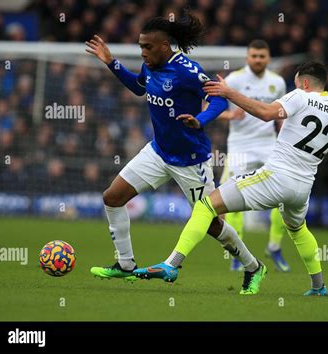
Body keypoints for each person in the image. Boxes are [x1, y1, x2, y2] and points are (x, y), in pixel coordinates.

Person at [135, 61, 328, 296]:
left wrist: (229, 92)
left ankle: (172, 264)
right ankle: (318, 287)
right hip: (303, 188)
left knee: (206, 206)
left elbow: (267, 113)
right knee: (298, 230)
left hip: (276, 177)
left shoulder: (300, 97)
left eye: (295, 84)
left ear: (303, 83)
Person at [85, 12, 266, 290]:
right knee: (112, 197)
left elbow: (219, 101)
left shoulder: (187, 71)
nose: (142, 52)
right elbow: (138, 87)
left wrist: (200, 120)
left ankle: (254, 266)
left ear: (164, 46)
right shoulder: (151, 66)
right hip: (158, 152)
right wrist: (111, 63)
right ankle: (125, 264)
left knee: (211, 225)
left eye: (147, 47)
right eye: (140, 47)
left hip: (191, 161)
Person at [218, 39, 291, 272]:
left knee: (283, 196)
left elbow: (282, 115)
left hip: (269, 144)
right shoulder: (234, 80)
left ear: (268, 59)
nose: (258, 60)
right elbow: (207, 108)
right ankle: (238, 253)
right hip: (240, 145)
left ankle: (274, 246)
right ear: (247, 57)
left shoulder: (277, 82)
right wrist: (229, 117)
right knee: (233, 199)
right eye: (254, 56)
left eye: (262, 56)